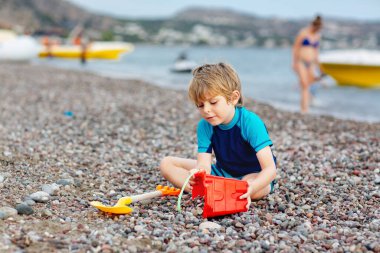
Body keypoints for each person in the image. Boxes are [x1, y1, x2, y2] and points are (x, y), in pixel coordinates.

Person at [160, 63, 277, 209]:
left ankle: (222, 191)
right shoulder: (205, 126)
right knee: (167, 163)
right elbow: (204, 164)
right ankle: (216, 190)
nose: (207, 110)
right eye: (200, 105)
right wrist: (199, 174)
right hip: (222, 172)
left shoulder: (250, 122)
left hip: (253, 175)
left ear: (233, 98)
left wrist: (252, 187)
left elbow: (270, 169)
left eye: (213, 102)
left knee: (249, 185)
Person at [292, 15, 323, 113]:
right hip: (301, 61)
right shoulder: (303, 33)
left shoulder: (317, 35)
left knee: (308, 85)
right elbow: (295, 48)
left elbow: (316, 52)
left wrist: (319, 66)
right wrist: (294, 62)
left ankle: (306, 106)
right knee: (305, 85)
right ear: (313, 25)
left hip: (311, 63)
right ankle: (304, 109)